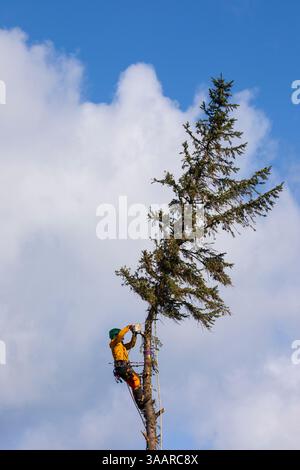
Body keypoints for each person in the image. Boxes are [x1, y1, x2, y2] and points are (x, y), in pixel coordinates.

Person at [109, 325, 145, 410]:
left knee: (135, 384)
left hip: (123, 367)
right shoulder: (114, 343)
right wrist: (129, 327)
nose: (123, 338)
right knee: (136, 379)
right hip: (122, 366)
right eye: (121, 337)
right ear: (116, 335)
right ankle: (141, 400)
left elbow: (132, 344)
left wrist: (134, 334)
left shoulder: (121, 346)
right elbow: (121, 335)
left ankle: (141, 404)